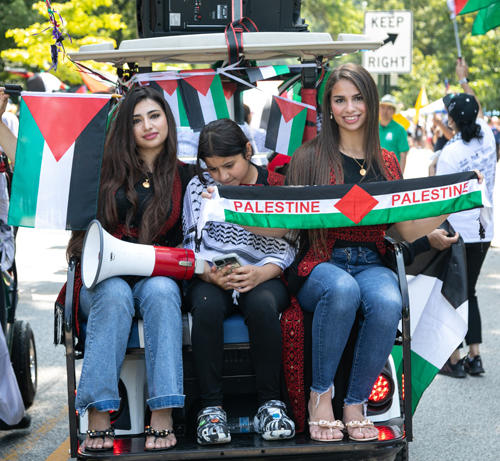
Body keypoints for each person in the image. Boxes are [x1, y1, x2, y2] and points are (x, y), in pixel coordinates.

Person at [283, 63, 456, 442]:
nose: (349, 108)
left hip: (371, 259)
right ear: (328, 106)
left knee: (388, 299)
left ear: (371, 102)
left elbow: (406, 229)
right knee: (342, 289)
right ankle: (320, 396)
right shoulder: (308, 156)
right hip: (320, 262)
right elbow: (286, 225)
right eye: (340, 99)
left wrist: (453, 200)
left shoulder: (388, 161)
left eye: (358, 98)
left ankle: (355, 403)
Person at [20, 87, 192, 452]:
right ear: (125, 128)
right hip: (101, 279)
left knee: (163, 293)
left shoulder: (185, 175)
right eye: (136, 120)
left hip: (156, 275)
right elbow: (36, 162)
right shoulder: (100, 169)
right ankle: (98, 413)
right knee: (114, 295)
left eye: (154, 116)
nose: (147, 125)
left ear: (167, 119)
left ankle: (163, 412)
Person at [182, 118, 296, 445]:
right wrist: (207, 272)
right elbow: (192, 241)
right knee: (204, 306)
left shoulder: (276, 186)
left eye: (229, 165)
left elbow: (291, 243)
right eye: (213, 169)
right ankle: (211, 408)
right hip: (211, 274)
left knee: (262, 304)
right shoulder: (197, 186)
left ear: (249, 150)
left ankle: (270, 404)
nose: (223, 176)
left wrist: (262, 273)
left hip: (267, 271)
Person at [436, 58, 496, 378]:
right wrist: (464, 80)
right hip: (484, 228)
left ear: (451, 121)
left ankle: (457, 360)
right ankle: (474, 357)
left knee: (457, 293)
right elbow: (479, 109)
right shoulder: (486, 134)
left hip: (460, 232)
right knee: (468, 290)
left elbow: (442, 202)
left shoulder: (450, 154)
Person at [378, 94, 409, 173]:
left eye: (389, 108)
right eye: (383, 107)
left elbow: (403, 154)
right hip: (375, 171)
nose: (385, 111)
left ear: (394, 111)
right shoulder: (373, 128)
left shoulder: (400, 129)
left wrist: (400, 175)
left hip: (392, 172)